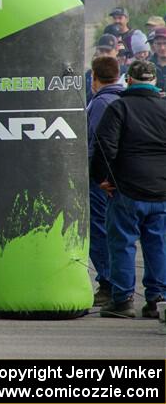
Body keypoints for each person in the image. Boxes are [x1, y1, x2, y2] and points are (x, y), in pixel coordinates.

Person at [91, 60, 166, 319]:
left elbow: (104, 147)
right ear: (155, 82)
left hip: (126, 189)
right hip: (161, 192)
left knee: (122, 244)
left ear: (129, 81)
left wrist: (100, 179)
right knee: (158, 243)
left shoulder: (119, 108)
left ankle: (122, 301)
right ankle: (157, 298)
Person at [85, 56, 123, 306]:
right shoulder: (124, 99)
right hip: (124, 177)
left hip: (102, 180)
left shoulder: (101, 104)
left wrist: (97, 176)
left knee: (98, 229)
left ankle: (108, 283)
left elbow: (98, 145)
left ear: (94, 79)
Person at [85, 34, 125, 103]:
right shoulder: (89, 74)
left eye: (108, 51)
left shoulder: (125, 73)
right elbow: (85, 102)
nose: (104, 55)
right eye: (101, 51)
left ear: (117, 51)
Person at [148, 27, 166, 93]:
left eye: (165, 43)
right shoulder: (146, 66)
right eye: (159, 44)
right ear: (154, 45)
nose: (162, 48)